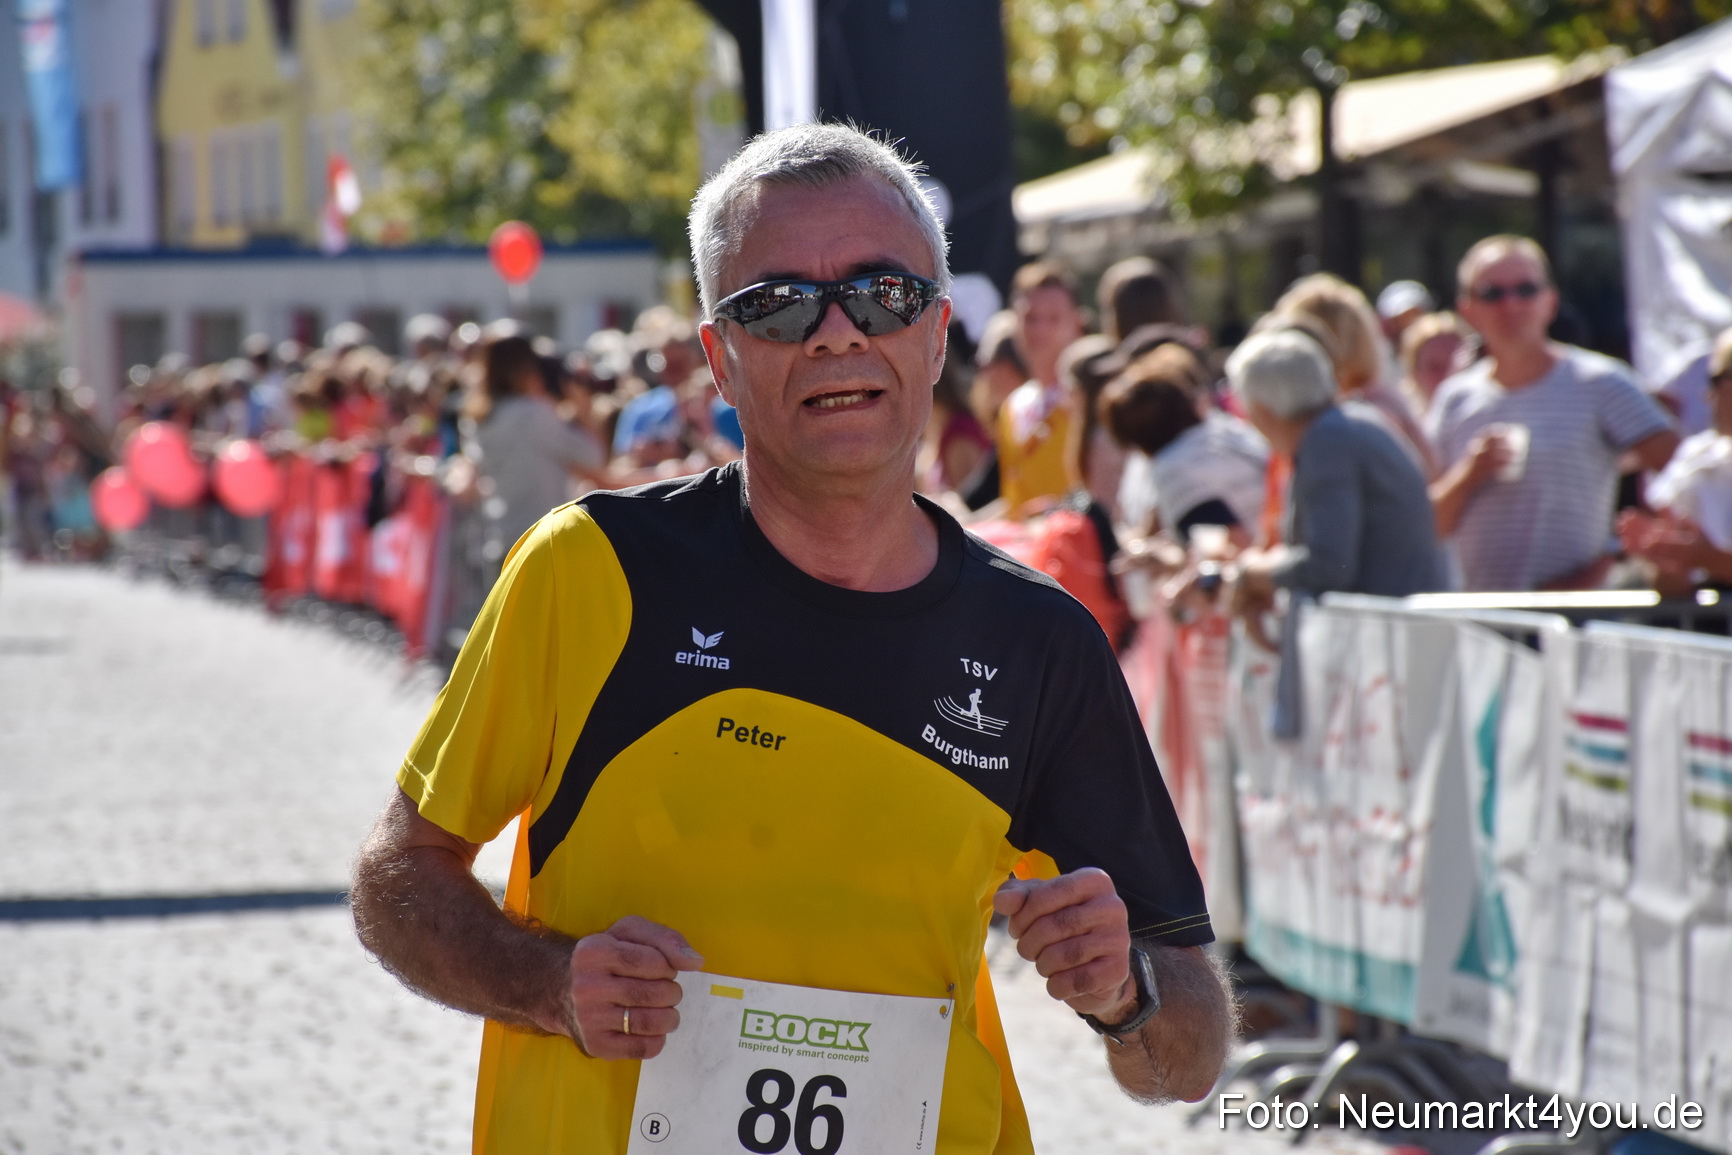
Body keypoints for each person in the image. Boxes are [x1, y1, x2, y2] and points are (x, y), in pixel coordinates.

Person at [351, 123, 1232, 1154]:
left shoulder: (1037, 638)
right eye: (777, 305)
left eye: (881, 295)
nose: (835, 334)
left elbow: (1191, 1049)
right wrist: (549, 987)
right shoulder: (590, 571)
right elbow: (397, 880)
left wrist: (1122, 990)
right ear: (719, 360)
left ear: (936, 336)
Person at [1428, 235, 1679, 591]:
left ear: (1550, 301)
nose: (1511, 305)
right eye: (1492, 293)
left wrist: (1616, 561)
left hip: (1575, 621)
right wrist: (1470, 474)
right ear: (1468, 309)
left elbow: (1688, 477)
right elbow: (1426, 525)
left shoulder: (1600, 382)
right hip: (1480, 623)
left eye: (1526, 289)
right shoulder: (1454, 398)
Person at [465, 332, 607, 555]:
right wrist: (582, 408)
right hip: (544, 541)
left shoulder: (479, 419)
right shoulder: (535, 414)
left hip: (502, 537)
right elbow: (593, 458)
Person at [1621, 326, 1732, 589]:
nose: (1707, 396)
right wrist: (1666, 557)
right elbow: (1670, 590)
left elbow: (1702, 559)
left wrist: (1706, 558)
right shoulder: (1697, 458)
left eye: (1716, 380)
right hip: (1704, 630)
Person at [996, 262, 1085, 515]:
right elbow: (1013, 506)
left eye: (1053, 318)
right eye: (1030, 318)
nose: (1040, 330)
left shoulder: (1088, 401)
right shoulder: (1012, 406)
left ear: (1077, 323)